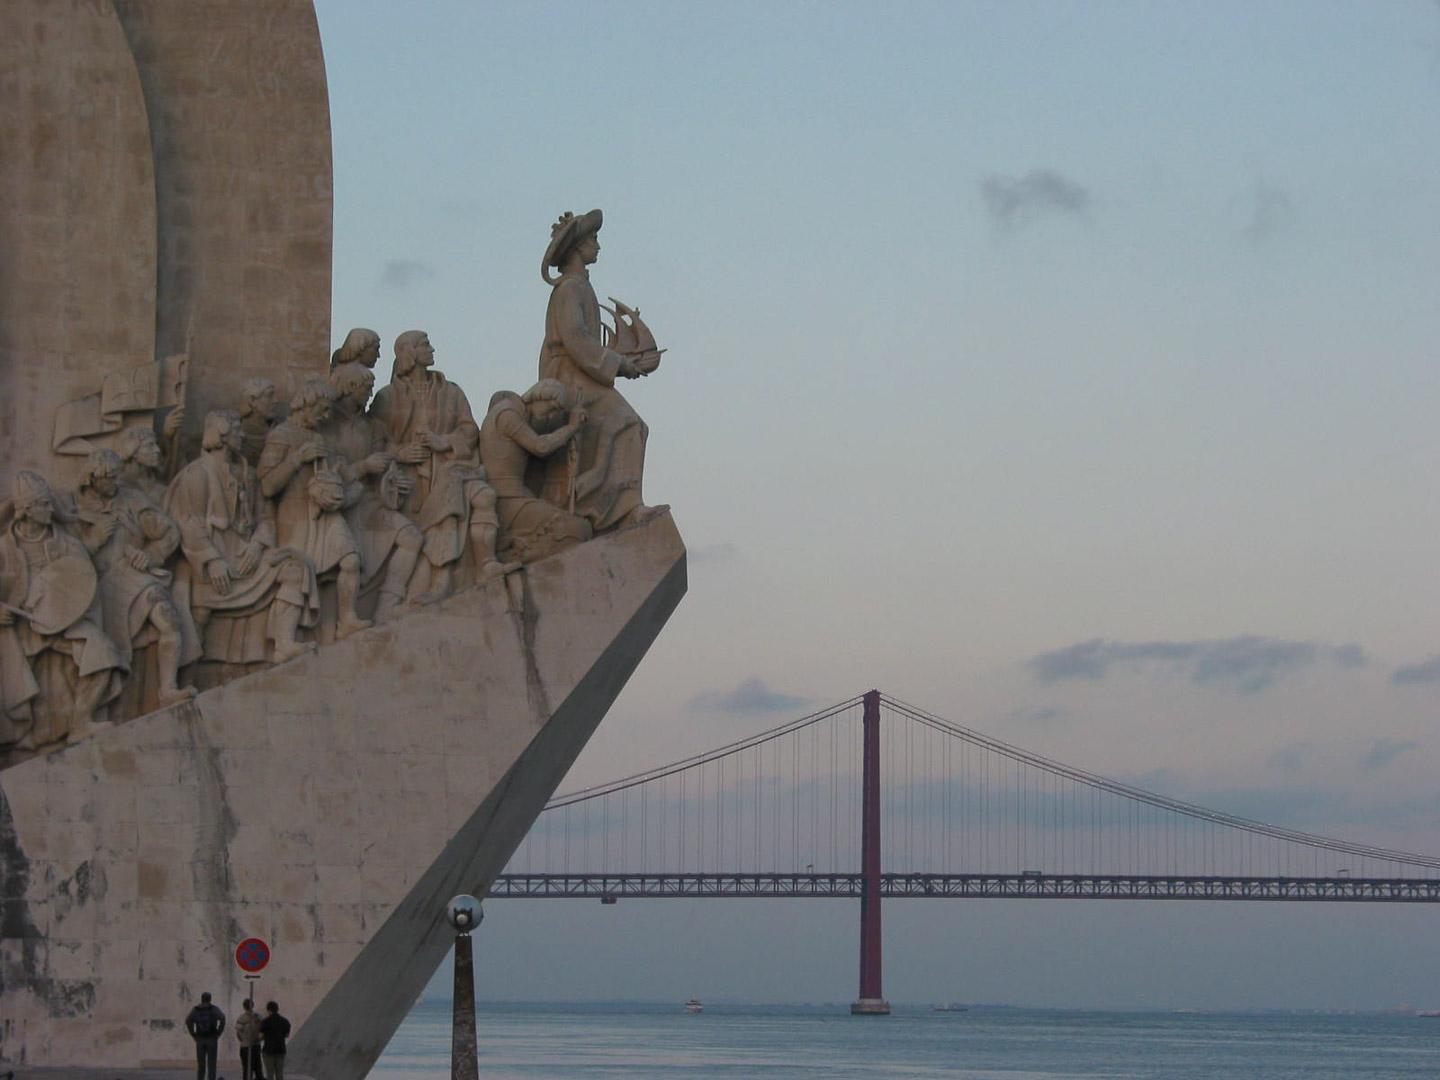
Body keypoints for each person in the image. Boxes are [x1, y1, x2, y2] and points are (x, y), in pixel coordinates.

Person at [537, 208, 666, 532]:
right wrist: (619, 363)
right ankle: (622, 510)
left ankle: (604, 504)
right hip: (571, 378)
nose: (598, 245)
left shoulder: (579, 287)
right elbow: (576, 339)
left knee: (627, 427)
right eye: (592, 239)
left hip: (584, 373)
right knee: (629, 424)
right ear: (578, 246)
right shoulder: (570, 289)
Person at [165, 410, 319, 665]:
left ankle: (284, 643)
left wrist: (258, 545)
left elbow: (265, 517)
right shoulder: (197, 474)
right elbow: (188, 522)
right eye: (237, 430)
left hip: (245, 554)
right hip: (214, 559)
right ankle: (187, 670)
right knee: (199, 609)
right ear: (222, 436)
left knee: (296, 568)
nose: (243, 434)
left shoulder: (246, 473)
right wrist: (212, 560)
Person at [370, 331, 511, 599]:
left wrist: (443, 441)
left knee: (479, 497)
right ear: (409, 352)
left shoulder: (452, 392)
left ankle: (481, 566)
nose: (431, 349)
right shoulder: (387, 398)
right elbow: (373, 442)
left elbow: (470, 431)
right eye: (424, 345)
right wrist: (400, 453)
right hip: (408, 479)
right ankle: (431, 584)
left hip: (451, 471)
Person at [0, 471, 126, 749]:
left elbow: (82, 578)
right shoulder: (5, 547)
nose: (50, 510)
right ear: (26, 510)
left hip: (60, 622)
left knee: (101, 649)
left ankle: (81, 722)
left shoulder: (65, 542)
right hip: (19, 626)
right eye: (44, 504)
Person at [73, 449, 200, 707]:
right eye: (108, 478)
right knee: (102, 652)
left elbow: (169, 533)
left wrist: (149, 556)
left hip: (136, 578)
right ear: (93, 479)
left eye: (117, 476)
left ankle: (168, 689)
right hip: (98, 590)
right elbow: (64, 558)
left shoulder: (132, 500)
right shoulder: (74, 508)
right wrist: (92, 542)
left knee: (169, 617)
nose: (115, 483)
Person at [257, 378, 371, 638]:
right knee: (299, 575)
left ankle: (347, 619)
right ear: (307, 404)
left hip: (324, 514)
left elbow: (336, 474)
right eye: (323, 408)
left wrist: (362, 469)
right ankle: (286, 639)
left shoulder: (318, 436)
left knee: (351, 560)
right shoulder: (281, 436)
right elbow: (267, 485)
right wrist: (298, 458)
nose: (327, 415)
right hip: (295, 517)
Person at [325, 362, 423, 620]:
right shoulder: (326, 425)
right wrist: (363, 467)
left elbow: (387, 456)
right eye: (366, 389)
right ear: (350, 387)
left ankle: (387, 605)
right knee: (350, 560)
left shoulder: (373, 426)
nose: (370, 394)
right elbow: (325, 473)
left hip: (370, 501)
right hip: (342, 503)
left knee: (411, 537)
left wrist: (394, 479)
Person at [478, 380, 592, 564]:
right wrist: (571, 427)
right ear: (538, 397)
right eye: (551, 408)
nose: (551, 416)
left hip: (517, 497)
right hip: (507, 500)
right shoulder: (507, 414)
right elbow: (541, 446)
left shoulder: (515, 415)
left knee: (580, 529)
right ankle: (517, 556)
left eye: (556, 413)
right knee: (575, 530)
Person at [238, 377, 284, 468]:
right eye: (269, 395)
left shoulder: (280, 430)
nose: (276, 401)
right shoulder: (237, 434)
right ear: (252, 400)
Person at [184, 990, 226, 1080]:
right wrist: (219, 1032)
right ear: (210, 999)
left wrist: (193, 1034)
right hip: (212, 1038)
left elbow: (188, 1020)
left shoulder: (196, 1009)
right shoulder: (213, 1009)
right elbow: (222, 1018)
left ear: (202, 999)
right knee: (212, 1064)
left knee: (201, 1064)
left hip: (200, 1039)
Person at [260, 999, 291, 1080]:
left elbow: (261, 1036)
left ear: (269, 1010)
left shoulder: (265, 1022)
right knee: (279, 1074)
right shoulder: (285, 1021)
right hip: (281, 1050)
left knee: (270, 1074)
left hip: (268, 1050)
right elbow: (287, 1035)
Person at [236, 997, 264, 1079]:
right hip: (256, 1046)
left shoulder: (242, 1018)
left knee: (247, 1070)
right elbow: (263, 1032)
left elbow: (238, 1033)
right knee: (258, 1068)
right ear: (253, 1005)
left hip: (245, 1046)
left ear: (244, 1007)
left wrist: (243, 1041)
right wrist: (258, 1040)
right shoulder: (259, 1017)